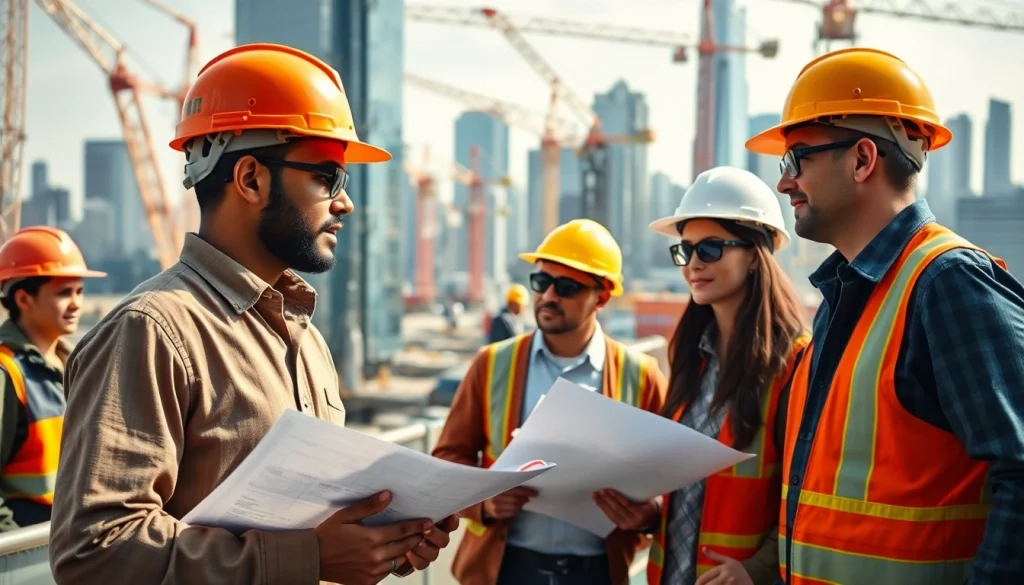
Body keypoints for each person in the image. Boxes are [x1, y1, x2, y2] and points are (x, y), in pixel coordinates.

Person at [49, 43, 457, 585]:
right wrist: (308, 557)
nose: (345, 203)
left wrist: (381, 541)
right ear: (250, 179)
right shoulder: (151, 332)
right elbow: (95, 551)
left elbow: (311, 526)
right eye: (328, 178)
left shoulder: (304, 338)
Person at [745, 47, 1024, 585]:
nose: (785, 183)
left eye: (796, 158)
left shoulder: (947, 284)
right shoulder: (845, 297)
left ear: (862, 159)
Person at [592, 167, 809, 585]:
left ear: (754, 255)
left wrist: (757, 570)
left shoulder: (795, 363)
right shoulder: (692, 357)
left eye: (710, 249)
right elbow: (694, 486)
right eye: (685, 250)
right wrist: (652, 513)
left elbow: (807, 495)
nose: (693, 264)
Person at [432, 218, 669, 585]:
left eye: (567, 287)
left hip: (599, 574)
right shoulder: (491, 364)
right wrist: (485, 503)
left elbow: (672, 475)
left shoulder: (642, 375)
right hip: (505, 570)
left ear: (601, 297)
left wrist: (650, 514)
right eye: (541, 282)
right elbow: (447, 460)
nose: (548, 296)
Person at [0, 227, 105, 531]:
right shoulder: (7, 372)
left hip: (67, 539)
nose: (76, 303)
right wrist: (14, 545)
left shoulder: (75, 366)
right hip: (30, 547)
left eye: (79, 292)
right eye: (63, 293)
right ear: (23, 299)